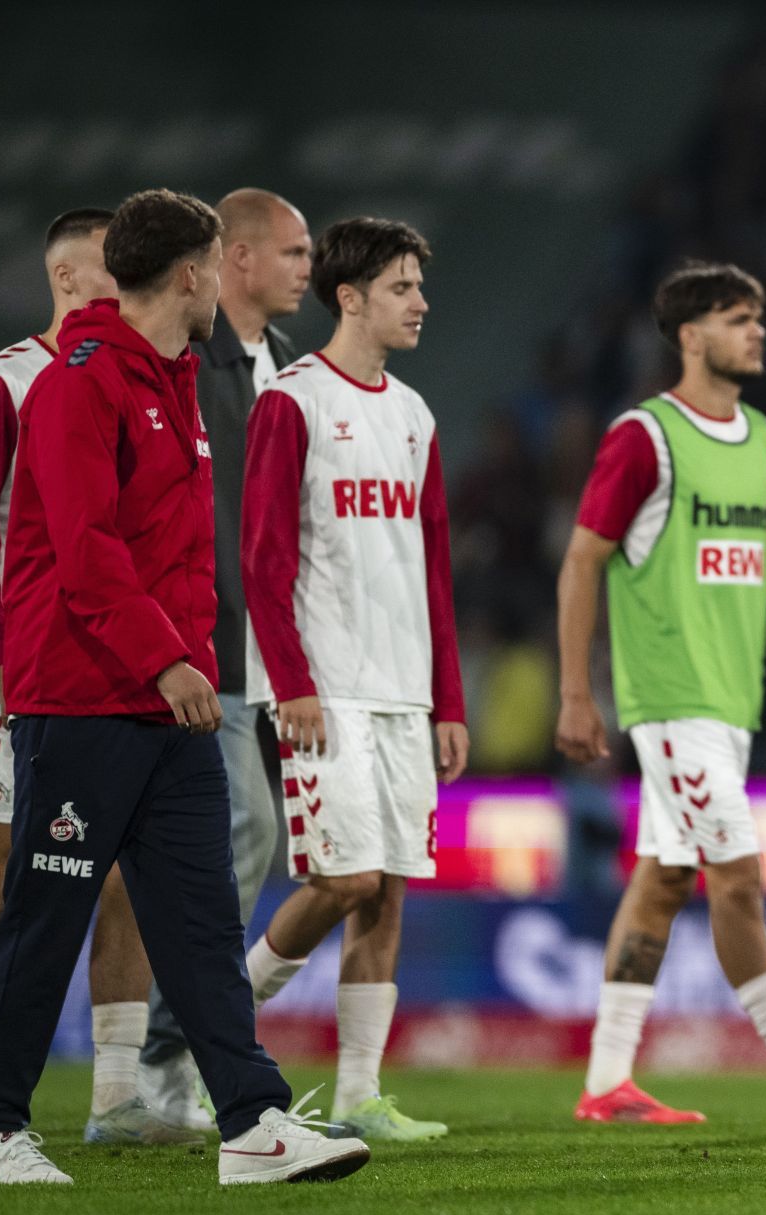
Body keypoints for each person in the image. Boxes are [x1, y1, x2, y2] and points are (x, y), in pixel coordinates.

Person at [0, 188, 367, 1186]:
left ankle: (254, 1119)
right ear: (190, 275)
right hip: (85, 699)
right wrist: (170, 657)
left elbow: (168, 551)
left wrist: (189, 663)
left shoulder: (170, 380)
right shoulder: (78, 385)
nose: (219, 280)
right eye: (215, 263)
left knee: (198, 925)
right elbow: (87, 553)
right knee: (44, 915)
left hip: (164, 702)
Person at [0, 207, 192, 1150]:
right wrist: (0, 658)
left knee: (123, 877)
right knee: (6, 884)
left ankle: (114, 1096)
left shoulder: (143, 371)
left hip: (120, 654)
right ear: (73, 279)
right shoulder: (7, 380)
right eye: (115, 268)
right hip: (21, 660)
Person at [556, 261, 766, 1124]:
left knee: (663, 879)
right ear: (690, 336)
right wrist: (576, 690)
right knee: (740, 879)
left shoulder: (761, 437)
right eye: (735, 317)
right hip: (669, 699)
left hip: (731, 702)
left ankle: (607, 1081)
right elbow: (583, 559)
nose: (756, 330)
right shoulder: (643, 437)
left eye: (756, 317)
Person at [239, 217, 468, 1142]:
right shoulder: (292, 402)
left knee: (390, 889)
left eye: (419, 285)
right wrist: (289, 680)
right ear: (351, 297)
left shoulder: (414, 416)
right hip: (323, 687)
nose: (420, 302)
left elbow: (435, 568)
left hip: (404, 692)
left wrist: (448, 698)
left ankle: (360, 1096)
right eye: (404, 286)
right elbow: (262, 557)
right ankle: (207, 1025)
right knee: (344, 880)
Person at [138, 187, 310, 1130]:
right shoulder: (185, 363)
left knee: (258, 841)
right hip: (194, 648)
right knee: (244, 835)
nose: (306, 271)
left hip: (267, 647)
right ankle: (166, 1055)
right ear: (234, 261)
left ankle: (163, 1060)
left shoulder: (283, 367)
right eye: (291, 253)